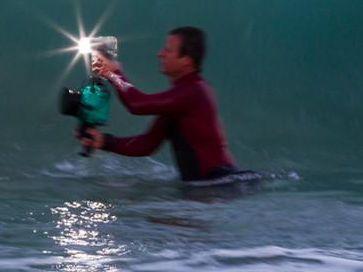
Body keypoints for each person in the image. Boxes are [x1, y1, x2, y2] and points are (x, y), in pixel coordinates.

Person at [80, 26, 253, 184]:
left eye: (168, 50)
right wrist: (103, 141)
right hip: (212, 186)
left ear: (186, 60)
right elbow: (148, 144)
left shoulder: (193, 91)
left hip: (220, 183)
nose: (160, 54)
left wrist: (114, 73)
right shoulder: (183, 95)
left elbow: (136, 104)